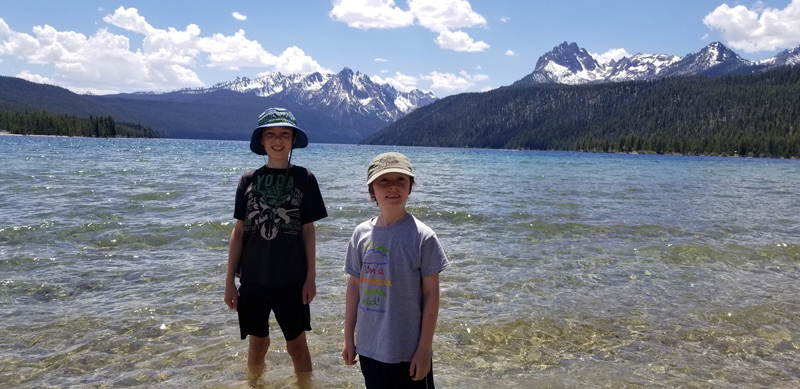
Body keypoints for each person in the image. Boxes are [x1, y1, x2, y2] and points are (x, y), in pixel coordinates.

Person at [224, 107, 328, 381]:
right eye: (270, 134)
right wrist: (228, 282)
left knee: (296, 345)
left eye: (284, 134)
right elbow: (238, 232)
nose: (277, 140)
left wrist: (311, 277)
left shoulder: (305, 178)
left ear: (294, 139)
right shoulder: (248, 180)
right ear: (261, 141)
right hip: (253, 280)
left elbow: (307, 231)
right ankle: (255, 384)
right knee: (258, 344)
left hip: (292, 280)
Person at [342, 152, 450, 388]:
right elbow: (354, 288)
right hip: (370, 348)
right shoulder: (361, 234)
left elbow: (432, 295)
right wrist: (349, 337)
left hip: (408, 351)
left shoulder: (423, 237)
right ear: (372, 191)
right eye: (384, 180)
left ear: (410, 187)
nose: (393, 187)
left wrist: (423, 349)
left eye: (401, 179)